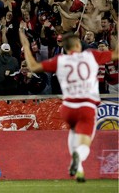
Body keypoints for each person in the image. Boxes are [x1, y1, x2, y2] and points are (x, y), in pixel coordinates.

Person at [20, 31, 118, 182]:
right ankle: (79, 156)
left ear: (65, 47)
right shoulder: (91, 55)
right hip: (86, 105)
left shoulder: (61, 60)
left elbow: (33, 66)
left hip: (68, 107)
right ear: (79, 45)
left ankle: (77, 166)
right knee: (85, 140)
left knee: (73, 130)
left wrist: (26, 45)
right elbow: (116, 54)